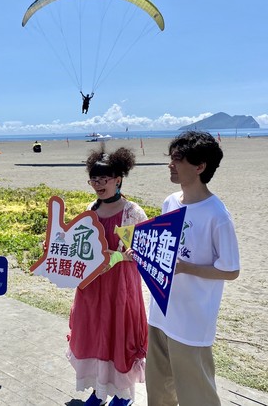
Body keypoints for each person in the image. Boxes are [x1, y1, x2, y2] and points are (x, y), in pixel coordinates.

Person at [145, 131, 241, 406]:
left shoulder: (217, 215)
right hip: (160, 313)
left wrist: (187, 268)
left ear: (200, 167)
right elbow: (165, 248)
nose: (170, 165)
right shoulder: (170, 202)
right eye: (171, 157)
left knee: (197, 395)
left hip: (191, 320)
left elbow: (230, 270)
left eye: (178, 159)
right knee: (159, 392)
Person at [68, 146, 148, 406]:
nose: (98, 184)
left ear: (118, 179)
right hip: (91, 286)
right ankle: (100, 389)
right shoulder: (90, 209)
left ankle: (123, 394)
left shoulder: (132, 212)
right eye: (94, 179)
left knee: (119, 336)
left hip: (120, 287)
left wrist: (119, 255)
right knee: (94, 334)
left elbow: (142, 253)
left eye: (104, 179)